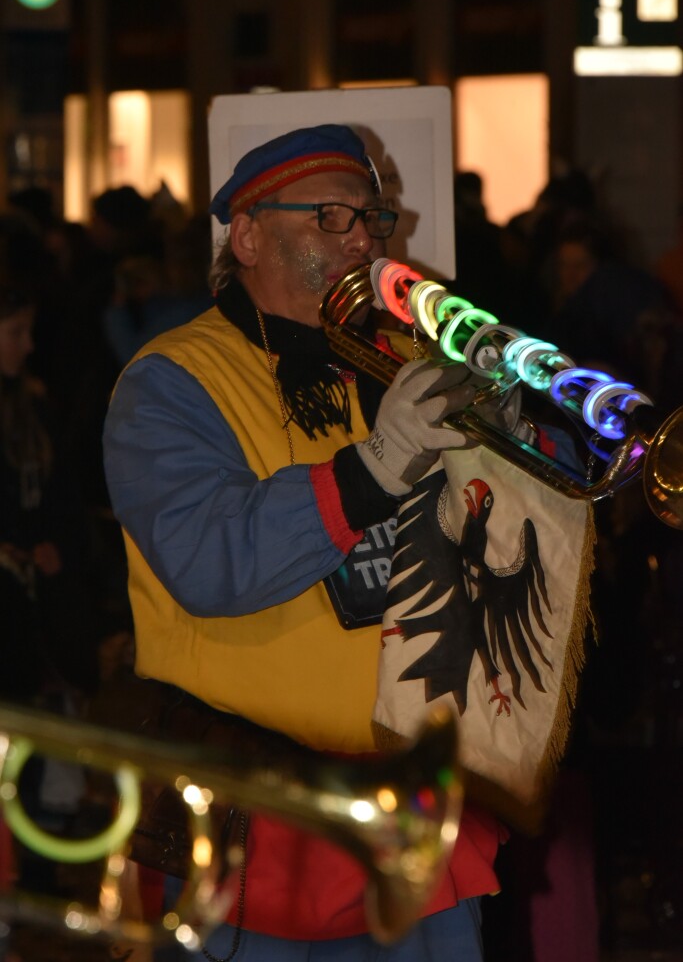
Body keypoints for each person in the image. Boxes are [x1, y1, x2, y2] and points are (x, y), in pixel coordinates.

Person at [103, 124, 506, 961]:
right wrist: (373, 470)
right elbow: (211, 563)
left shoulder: (395, 359)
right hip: (256, 823)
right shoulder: (168, 381)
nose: (362, 236)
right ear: (246, 235)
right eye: (329, 215)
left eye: (371, 217)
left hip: (408, 811)